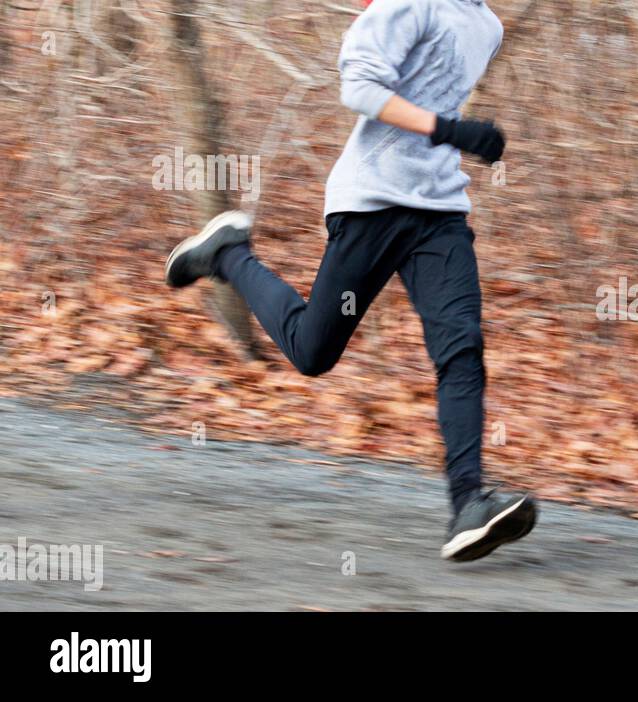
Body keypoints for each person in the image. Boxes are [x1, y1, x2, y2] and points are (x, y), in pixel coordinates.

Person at [163, 0, 535, 562]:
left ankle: (468, 506)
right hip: (373, 203)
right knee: (312, 352)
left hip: (439, 211)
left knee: (461, 348)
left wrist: (458, 138)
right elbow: (358, 87)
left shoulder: (488, 25)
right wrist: (450, 129)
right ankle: (229, 256)